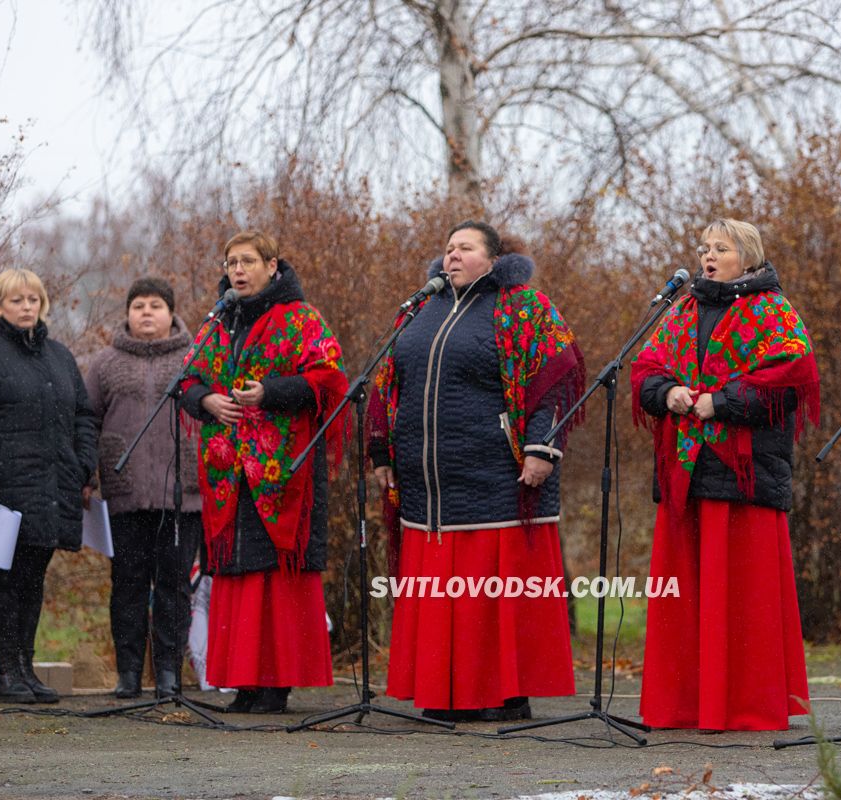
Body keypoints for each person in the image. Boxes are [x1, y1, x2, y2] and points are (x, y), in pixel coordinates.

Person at [370, 221, 585, 722]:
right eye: (447, 249)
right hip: (429, 486)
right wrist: (381, 450)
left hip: (498, 476)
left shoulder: (522, 306)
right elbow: (385, 381)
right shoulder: (423, 308)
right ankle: (446, 694)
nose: (452, 256)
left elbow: (558, 377)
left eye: (465, 248)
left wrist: (541, 447)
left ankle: (503, 695)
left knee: (493, 595)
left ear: (493, 258)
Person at [631, 218, 820, 731]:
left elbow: (791, 378)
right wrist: (667, 392)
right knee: (686, 598)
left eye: (721, 248)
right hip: (685, 476)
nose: (708, 256)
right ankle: (683, 705)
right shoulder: (682, 308)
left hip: (746, 476)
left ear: (748, 257)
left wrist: (722, 402)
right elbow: (646, 367)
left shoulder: (772, 311)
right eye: (704, 248)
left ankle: (745, 707)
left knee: (744, 600)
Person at [180, 230, 348, 714]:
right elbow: (189, 377)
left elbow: (329, 379)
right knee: (235, 576)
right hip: (228, 476)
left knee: (274, 577)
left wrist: (269, 393)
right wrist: (205, 399)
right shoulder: (219, 322)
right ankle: (244, 681)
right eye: (231, 261)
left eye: (248, 260)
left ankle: (276, 683)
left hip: (284, 472)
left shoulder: (300, 319)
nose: (237, 269)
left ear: (273, 266)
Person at [0, 269, 99, 704]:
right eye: (17, 300)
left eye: (33, 299)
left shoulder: (59, 356)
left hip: (54, 488)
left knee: (34, 579)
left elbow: (83, 418)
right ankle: (6, 673)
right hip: (6, 492)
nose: (27, 306)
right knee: (6, 579)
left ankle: (26, 669)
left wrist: (84, 469)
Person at [85, 278, 202, 699]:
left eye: (155, 305)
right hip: (125, 493)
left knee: (174, 587)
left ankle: (169, 674)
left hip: (182, 494)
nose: (146, 313)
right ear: (128, 313)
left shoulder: (196, 357)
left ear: (171, 313)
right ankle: (129, 674)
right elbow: (87, 422)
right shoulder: (104, 363)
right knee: (128, 585)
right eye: (138, 306)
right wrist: (88, 475)